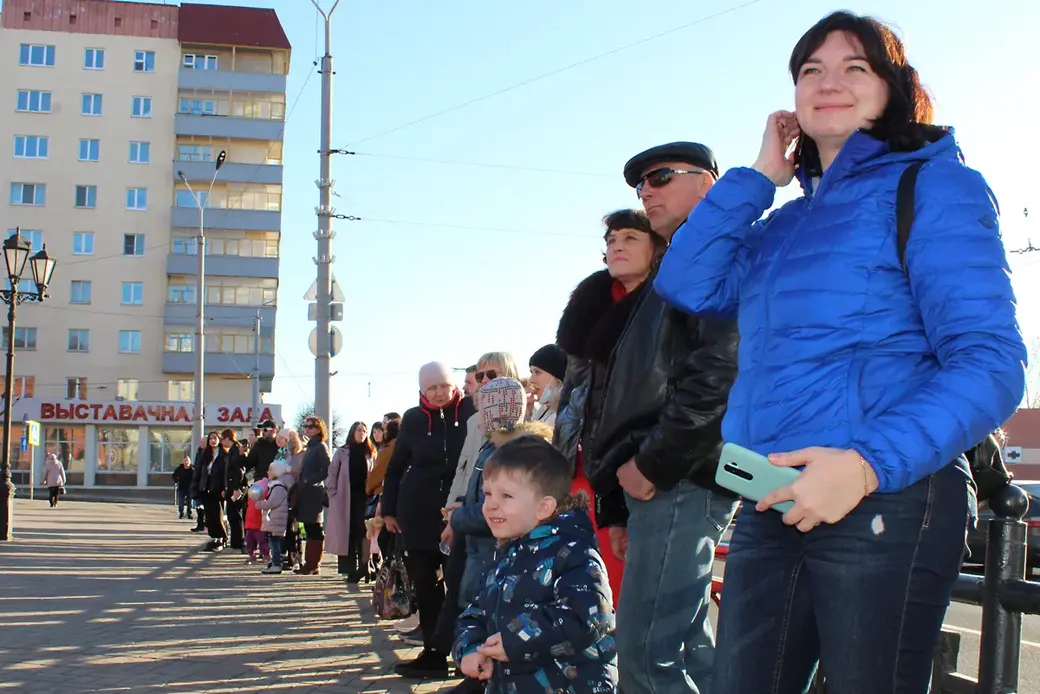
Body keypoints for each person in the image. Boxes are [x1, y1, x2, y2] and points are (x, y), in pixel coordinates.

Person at [654, 12, 1027, 693]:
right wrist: (759, 176)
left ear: (894, 89)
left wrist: (862, 466)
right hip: (771, 495)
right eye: (811, 70)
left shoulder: (935, 184)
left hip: (889, 492)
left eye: (855, 67)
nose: (829, 82)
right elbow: (685, 281)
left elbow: (991, 361)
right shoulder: (782, 223)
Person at [585, 138, 742, 694]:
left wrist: (652, 465)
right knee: (687, 647)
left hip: (682, 475)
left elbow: (719, 374)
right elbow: (623, 401)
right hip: (664, 478)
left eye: (661, 177)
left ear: (707, 182)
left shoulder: (715, 253)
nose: (645, 192)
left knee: (647, 653)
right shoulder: (675, 268)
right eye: (640, 185)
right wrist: (616, 501)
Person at [554, 209, 668, 609]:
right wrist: (561, 461)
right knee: (589, 588)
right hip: (588, 466)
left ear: (657, 248)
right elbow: (572, 397)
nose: (617, 246)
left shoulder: (667, 304)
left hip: (645, 463)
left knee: (642, 597)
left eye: (630, 238)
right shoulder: (590, 308)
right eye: (611, 240)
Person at [453, 436, 616, 694]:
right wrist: (471, 648)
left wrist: (516, 640)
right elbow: (476, 612)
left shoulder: (574, 553)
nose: (490, 504)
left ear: (544, 507)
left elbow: (588, 616)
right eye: (487, 494)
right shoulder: (504, 557)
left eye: (506, 495)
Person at [381, 361, 475, 679]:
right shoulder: (413, 418)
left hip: (458, 513)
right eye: (431, 388)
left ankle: (467, 653)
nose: (438, 393)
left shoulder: (471, 410)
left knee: (461, 583)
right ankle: (434, 653)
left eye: (443, 386)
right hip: (417, 513)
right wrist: (388, 511)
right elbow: (395, 468)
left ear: (454, 385)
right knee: (425, 583)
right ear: (421, 390)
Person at [295, 416, 332, 575]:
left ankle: (313, 564)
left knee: (315, 527)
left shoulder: (320, 447)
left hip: (314, 492)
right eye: (306, 426)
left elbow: (327, 469)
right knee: (309, 526)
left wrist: (309, 480)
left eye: (311, 426)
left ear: (319, 429)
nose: (307, 429)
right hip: (306, 492)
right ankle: (309, 563)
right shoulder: (310, 446)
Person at [258, 460, 294, 575]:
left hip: (277, 521)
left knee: (275, 544)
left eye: (271, 470)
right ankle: (275, 562)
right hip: (276, 520)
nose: (268, 472)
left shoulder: (278, 487)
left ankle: (276, 564)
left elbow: (272, 503)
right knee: (274, 542)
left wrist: (260, 504)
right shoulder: (276, 486)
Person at [527, 345, 567, 426]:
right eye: (531, 372)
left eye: (537, 372)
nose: (531, 380)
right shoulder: (543, 410)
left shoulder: (563, 417)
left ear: (558, 379)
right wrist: (527, 414)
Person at [244, 476, 270, 565]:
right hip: (251, 523)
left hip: (259, 524)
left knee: (262, 541)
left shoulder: (263, 499)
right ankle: (252, 555)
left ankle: (266, 555)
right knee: (250, 541)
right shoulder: (251, 498)